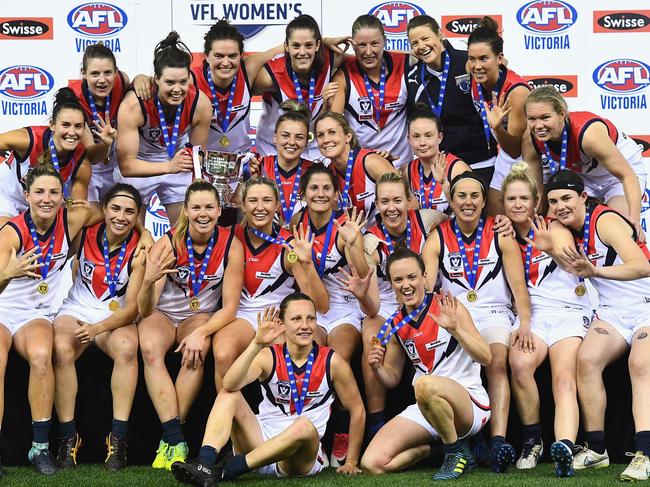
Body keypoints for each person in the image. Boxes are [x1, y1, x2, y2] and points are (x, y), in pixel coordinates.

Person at [0, 164, 141, 474]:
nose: (47, 199)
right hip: (4, 306)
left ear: (63, 197)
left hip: (35, 313)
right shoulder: (11, 231)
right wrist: (7, 273)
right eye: (39, 192)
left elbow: (119, 214)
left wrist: (145, 236)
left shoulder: (73, 218)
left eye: (54, 192)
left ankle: (39, 449)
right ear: (27, 195)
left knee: (41, 356)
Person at [171, 292, 365, 485]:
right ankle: (204, 466)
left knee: (304, 425)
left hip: (297, 458)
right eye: (296, 319)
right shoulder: (268, 355)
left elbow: (357, 410)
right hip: (259, 442)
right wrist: (256, 344)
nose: (305, 325)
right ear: (282, 324)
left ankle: (226, 471)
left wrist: (351, 461)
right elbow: (229, 383)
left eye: (310, 318)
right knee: (228, 394)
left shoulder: (332, 362)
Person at [532, 169, 650, 481]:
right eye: (554, 201)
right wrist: (552, 251)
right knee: (586, 360)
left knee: (640, 363)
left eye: (567, 198)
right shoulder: (565, 226)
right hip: (612, 312)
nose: (560, 206)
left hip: (645, 306)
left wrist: (595, 272)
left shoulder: (605, 221)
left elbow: (642, 266)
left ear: (583, 197)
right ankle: (597, 449)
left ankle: (645, 452)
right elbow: (573, 263)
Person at [422, 172, 531, 472]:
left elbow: (519, 287)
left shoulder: (499, 233)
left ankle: (497, 440)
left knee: (495, 361)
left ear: (485, 202)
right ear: (451, 200)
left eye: (474, 196)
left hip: (494, 312)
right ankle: (473, 438)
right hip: (455, 315)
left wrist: (524, 323)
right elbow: (426, 286)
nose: (468, 202)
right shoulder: (437, 236)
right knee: (454, 368)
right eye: (461, 196)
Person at [136, 180, 244, 471]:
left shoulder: (231, 246)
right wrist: (148, 279)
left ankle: (171, 441)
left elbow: (231, 308)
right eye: (196, 207)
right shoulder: (167, 243)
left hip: (199, 316)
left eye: (209, 207)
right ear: (185, 210)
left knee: (197, 351)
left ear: (220, 210)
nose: (203, 213)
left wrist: (201, 332)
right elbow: (144, 309)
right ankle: (174, 437)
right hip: (162, 313)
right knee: (148, 348)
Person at [361, 249, 491, 481]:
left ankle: (453, 454)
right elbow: (392, 378)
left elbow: (485, 357)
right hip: (427, 404)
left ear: (424, 277)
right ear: (391, 283)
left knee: (423, 384)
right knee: (372, 463)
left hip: (469, 402)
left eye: (412, 277)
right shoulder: (395, 323)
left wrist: (456, 330)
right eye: (398, 280)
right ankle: (442, 450)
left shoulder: (449, 305)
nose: (406, 285)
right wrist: (376, 367)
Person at [501, 164, 590, 477]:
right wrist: (523, 321)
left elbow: (577, 265)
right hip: (534, 313)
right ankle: (533, 440)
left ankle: (564, 446)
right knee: (520, 364)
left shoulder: (553, 225)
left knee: (563, 376)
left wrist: (550, 248)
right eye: (511, 199)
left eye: (524, 198)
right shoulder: (504, 234)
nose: (518, 204)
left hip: (569, 309)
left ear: (536, 201)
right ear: (504, 204)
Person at [344, 171, 446, 438]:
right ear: (376, 204)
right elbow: (373, 306)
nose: (391, 208)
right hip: (389, 304)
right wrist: (353, 245)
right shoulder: (368, 239)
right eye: (385, 201)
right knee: (372, 336)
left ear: (410, 200)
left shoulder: (429, 220)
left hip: (426, 300)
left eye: (398, 200)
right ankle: (376, 422)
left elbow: (461, 223)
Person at [52, 184, 145, 472]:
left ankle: (118, 439)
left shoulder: (141, 248)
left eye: (130, 211)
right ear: (104, 210)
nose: (121, 217)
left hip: (113, 317)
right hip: (77, 309)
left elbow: (133, 309)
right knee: (61, 349)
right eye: (115, 209)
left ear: (138, 215)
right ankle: (69, 438)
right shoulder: (85, 233)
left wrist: (97, 328)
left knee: (128, 349)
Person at [290, 163, 370, 466]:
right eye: (314, 188)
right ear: (303, 193)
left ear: (337, 195)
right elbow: (316, 302)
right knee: (310, 357)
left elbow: (362, 274)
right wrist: (307, 265)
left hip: (345, 306)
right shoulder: (296, 227)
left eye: (327, 189)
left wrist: (354, 244)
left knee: (337, 359)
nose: (320, 194)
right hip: (313, 306)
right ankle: (312, 435)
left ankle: (340, 433)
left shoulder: (345, 226)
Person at [212, 176, 328, 384]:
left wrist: (308, 265)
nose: (260, 207)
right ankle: (226, 413)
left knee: (288, 353)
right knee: (222, 352)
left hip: (277, 317)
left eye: (266, 201)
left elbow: (316, 304)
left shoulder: (289, 245)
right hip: (242, 316)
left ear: (277, 205)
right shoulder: (230, 235)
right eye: (253, 201)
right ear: (242, 205)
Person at [117, 31, 212, 225]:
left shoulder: (200, 104)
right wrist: (168, 167)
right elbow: (126, 166)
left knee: (186, 231)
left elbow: (197, 155)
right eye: (170, 82)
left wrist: (193, 181)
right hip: (140, 162)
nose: (177, 90)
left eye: (183, 82)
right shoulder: (134, 105)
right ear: (156, 79)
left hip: (178, 158)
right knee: (130, 232)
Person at [522, 85, 645, 234]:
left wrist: (634, 219)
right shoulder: (531, 139)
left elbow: (627, 176)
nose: (538, 126)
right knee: (554, 229)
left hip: (617, 177)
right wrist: (536, 218)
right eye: (532, 119)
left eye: (545, 117)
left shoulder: (589, 136)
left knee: (619, 227)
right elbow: (536, 190)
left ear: (562, 114)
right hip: (582, 176)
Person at [406, 15, 495, 180]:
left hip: (482, 162)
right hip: (444, 166)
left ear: (440, 34)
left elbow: (498, 71)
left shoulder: (468, 62)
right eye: (415, 43)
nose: (421, 46)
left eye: (425, 38)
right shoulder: (413, 79)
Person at [254, 14, 348, 160]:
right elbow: (240, 87)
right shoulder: (270, 75)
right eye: (296, 46)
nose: (302, 52)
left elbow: (366, 61)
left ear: (317, 45)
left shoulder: (331, 59)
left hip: (315, 147)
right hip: (275, 148)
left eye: (308, 45)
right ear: (286, 46)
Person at [0, 88, 95, 226]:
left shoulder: (82, 163)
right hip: (9, 198)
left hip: (44, 205)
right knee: (6, 238)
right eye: (66, 125)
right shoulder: (29, 140)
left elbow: (74, 209)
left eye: (78, 126)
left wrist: (74, 207)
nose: (72, 132)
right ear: (52, 125)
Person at [329, 15, 411, 167]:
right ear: (353, 45)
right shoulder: (342, 75)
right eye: (361, 45)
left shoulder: (405, 63)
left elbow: (435, 54)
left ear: (384, 41)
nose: (368, 52)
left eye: (374, 44)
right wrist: (326, 41)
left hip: (403, 164)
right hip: (362, 165)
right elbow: (333, 125)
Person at [467, 17, 530, 214]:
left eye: (484, 59)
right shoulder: (474, 72)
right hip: (503, 153)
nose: (476, 66)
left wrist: (496, 127)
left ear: (499, 58)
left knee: (522, 215)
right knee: (493, 214)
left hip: (528, 157)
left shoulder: (516, 93)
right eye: (472, 59)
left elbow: (514, 149)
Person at [69, 43, 128, 201]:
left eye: (108, 72)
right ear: (84, 73)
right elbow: (92, 156)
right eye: (95, 74)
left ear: (116, 72)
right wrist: (106, 143)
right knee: (89, 218)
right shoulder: (73, 99)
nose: (102, 80)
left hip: (116, 162)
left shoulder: (122, 82)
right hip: (87, 164)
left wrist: (142, 79)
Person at [313, 111, 395, 222]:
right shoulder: (329, 174)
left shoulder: (371, 162)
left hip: (387, 235)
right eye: (320, 135)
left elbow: (408, 203)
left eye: (332, 132)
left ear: (348, 136)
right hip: (355, 236)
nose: (326, 140)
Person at [251, 101, 314, 225]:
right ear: (275, 137)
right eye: (285, 135)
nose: (291, 142)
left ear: (306, 141)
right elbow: (241, 208)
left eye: (299, 137)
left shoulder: (316, 171)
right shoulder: (258, 166)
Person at [403, 106, 471, 212]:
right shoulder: (407, 171)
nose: (422, 143)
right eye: (416, 136)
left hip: (452, 228)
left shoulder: (457, 169)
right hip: (420, 228)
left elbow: (470, 210)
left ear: (440, 137)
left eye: (428, 136)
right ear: (409, 139)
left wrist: (444, 184)